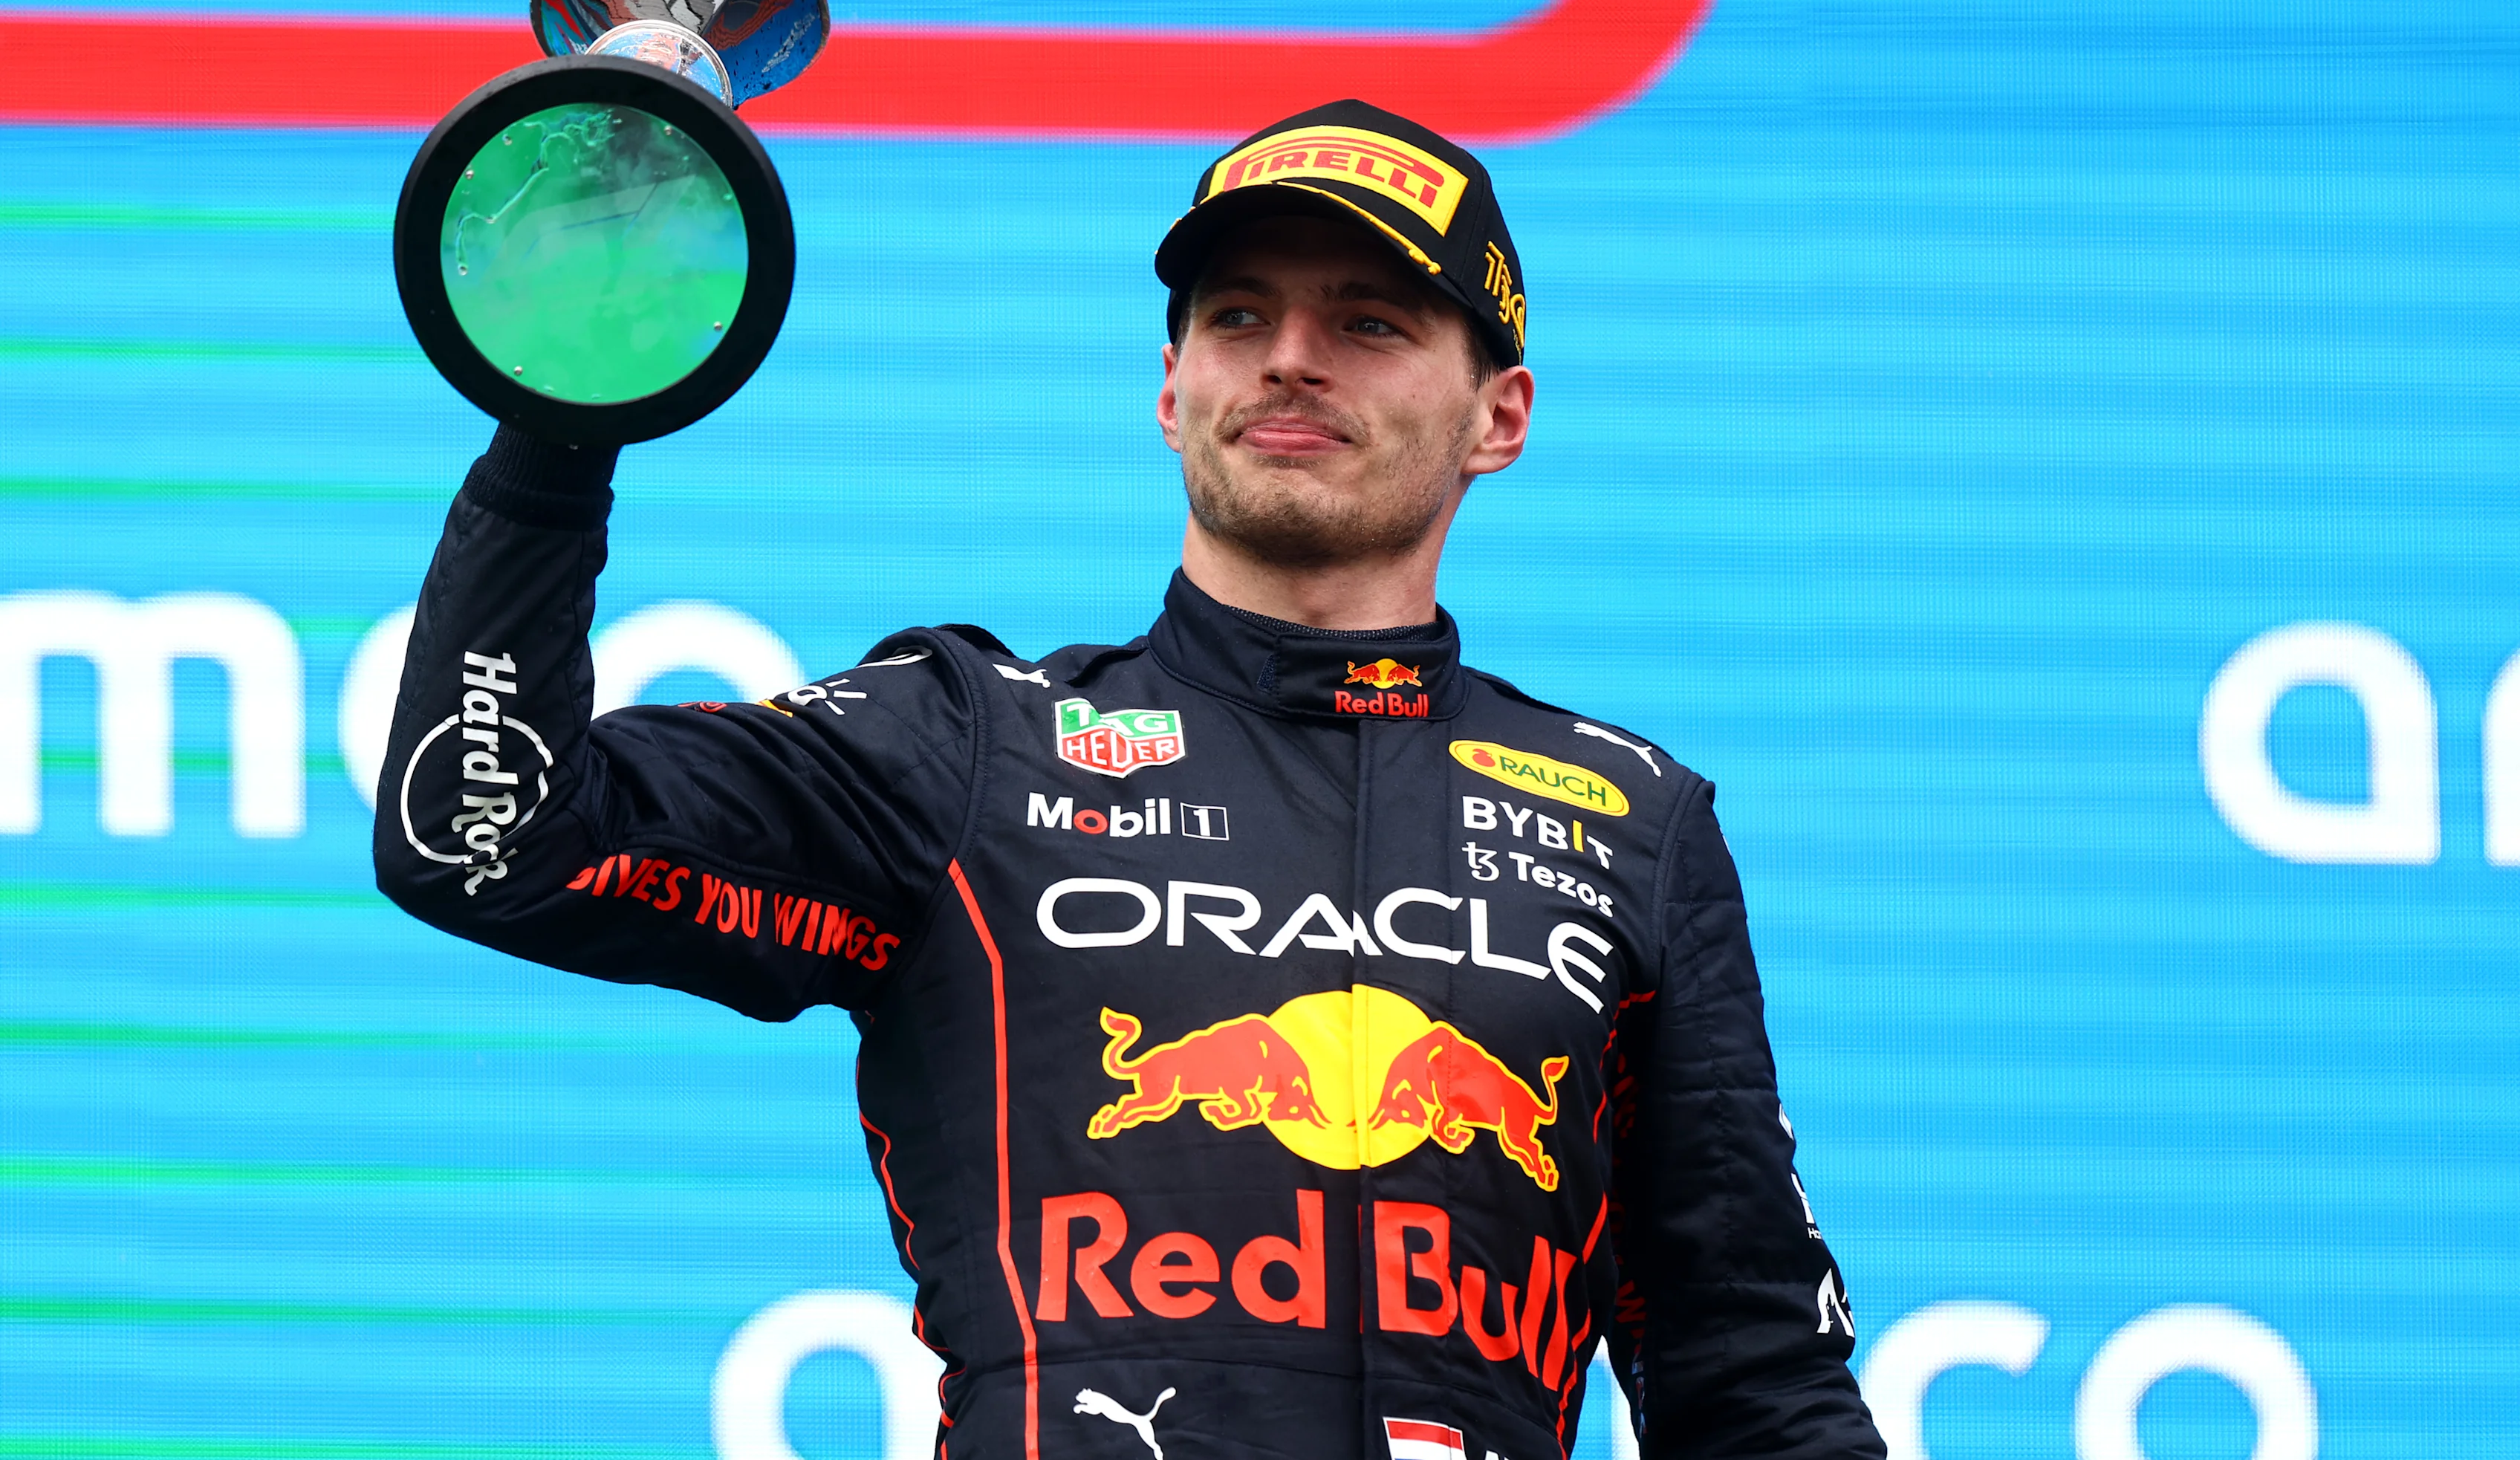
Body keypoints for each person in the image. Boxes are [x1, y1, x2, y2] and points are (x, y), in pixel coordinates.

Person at [374, 100, 1886, 1459]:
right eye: (1239, 316)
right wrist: (555, 419)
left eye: (1368, 322)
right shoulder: (971, 742)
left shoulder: (1627, 816)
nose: (1289, 354)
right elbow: (487, 838)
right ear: (1171, 388)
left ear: (1501, 413)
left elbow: (1746, 1371)